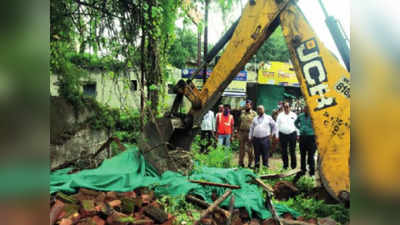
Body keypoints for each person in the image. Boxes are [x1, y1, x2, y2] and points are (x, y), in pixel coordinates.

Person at [249, 105, 277, 170]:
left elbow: (274, 126)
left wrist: (272, 134)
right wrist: (250, 136)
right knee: (256, 154)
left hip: (265, 139)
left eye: (261, 109)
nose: (259, 110)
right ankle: (256, 169)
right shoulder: (255, 118)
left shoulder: (268, 117)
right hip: (256, 139)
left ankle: (265, 169)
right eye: (258, 109)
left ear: (264, 110)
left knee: (265, 154)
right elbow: (251, 128)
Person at [295, 105, 317, 176]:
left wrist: (313, 131)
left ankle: (312, 172)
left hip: (311, 138)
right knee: (302, 155)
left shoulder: (314, 116)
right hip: (302, 137)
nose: (306, 110)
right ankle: (303, 170)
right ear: (303, 109)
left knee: (311, 155)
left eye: (308, 108)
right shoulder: (300, 116)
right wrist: (300, 128)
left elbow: (317, 125)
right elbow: (295, 123)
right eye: (305, 108)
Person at [276, 102, 298, 170]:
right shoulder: (280, 115)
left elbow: (297, 125)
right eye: (285, 107)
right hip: (282, 134)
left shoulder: (294, 115)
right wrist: (277, 135)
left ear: (290, 107)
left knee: (292, 150)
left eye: (287, 107)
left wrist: (298, 134)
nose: (286, 108)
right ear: (283, 107)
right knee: (284, 151)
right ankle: (285, 166)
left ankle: (293, 166)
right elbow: (277, 125)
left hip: (292, 134)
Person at [238, 100, 257, 168]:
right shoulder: (242, 112)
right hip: (242, 132)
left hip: (250, 133)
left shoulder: (254, 113)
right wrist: (238, 132)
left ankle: (250, 164)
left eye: (248, 105)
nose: (246, 106)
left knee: (250, 149)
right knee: (241, 149)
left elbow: (256, 124)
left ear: (251, 105)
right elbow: (239, 122)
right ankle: (240, 163)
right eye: (246, 105)